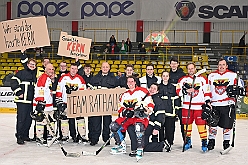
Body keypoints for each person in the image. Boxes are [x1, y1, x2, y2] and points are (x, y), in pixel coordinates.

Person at [207, 58, 245, 151]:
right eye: (220, 64)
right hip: (214, 104)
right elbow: (207, 89)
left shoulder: (233, 75)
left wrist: (238, 91)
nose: (221, 66)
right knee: (213, 124)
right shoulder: (211, 75)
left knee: (227, 125)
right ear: (217, 66)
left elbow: (241, 88)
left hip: (227, 104)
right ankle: (211, 141)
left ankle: (226, 142)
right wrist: (207, 101)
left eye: (223, 65)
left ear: (226, 66)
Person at [176, 63, 211, 152]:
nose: (191, 70)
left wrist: (207, 102)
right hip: (186, 106)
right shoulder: (183, 79)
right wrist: (185, 90)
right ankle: (187, 141)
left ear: (195, 69)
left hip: (199, 106)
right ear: (187, 70)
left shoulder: (202, 79)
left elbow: (207, 91)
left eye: (192, 68)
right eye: (189, 69)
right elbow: (178, 90)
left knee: (201, 125)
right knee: (187, 125)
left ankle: (204, 142)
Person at [89, 62, 118, 146]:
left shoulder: (114, 79)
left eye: (107, 67)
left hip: (108, 105)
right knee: (96, 123)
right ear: (101, 68)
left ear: (109, 68)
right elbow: (89, 88)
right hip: (96, 104)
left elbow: (117, 89)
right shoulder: (95, 78)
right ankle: (94, 139)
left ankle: (106, 139)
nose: (105, 68)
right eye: (103, 67)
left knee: (107, 122)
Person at [56, 63, 87, 143]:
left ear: (77, 70)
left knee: (80, 120)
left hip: (76, 103)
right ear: (70, 69)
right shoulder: (63, 78)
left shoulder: (80, 79)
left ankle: (82, 136)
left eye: (75, 69)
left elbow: (83, 92)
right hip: (65, 102)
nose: (73, 70)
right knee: (64, 120)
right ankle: (65, 136)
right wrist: (59, 102)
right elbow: (59, 90)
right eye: (72, 68)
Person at [124, 77, 154, 161]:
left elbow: (150, 103)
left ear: (135, 82)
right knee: (115, 126)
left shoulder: (143, 91)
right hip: (130, 118)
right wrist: (124, 112)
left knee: (138, 127)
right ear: (126, 83)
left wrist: (148, 111)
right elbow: (121, 107)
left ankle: (140, 148)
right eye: (128, 81)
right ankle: (123, 146)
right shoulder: (124, 94)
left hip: (142, 117)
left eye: (132, 81)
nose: (130, 83)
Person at [10, 59, 37, 144]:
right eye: (31, 64)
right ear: (28, 64)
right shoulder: (21, 73)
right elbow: (13, 82)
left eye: (34, 65)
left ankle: (25, 135)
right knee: (21, 119)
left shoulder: (35, 75)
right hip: (22, 101)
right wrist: (19, 92)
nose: (33, 66)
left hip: (31, 102)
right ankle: (19, 136)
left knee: (29, 119)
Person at [32, 63, 55, 145]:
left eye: (52, 69)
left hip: (48, 104)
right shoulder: (43, 77)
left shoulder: (48, 78)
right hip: (43, 104)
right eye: (49, 69)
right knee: (41, 121)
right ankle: (39, 137)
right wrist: (40, 101)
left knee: (50, 121)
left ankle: (51, 136)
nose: (51, 71)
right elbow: (39, 88)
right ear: (45, 69)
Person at [158, 71, 181, 151]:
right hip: (161, 112)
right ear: (161, 77)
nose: (165, 77)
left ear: (169, 77)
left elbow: (177, 99)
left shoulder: (173, 87)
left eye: (166, 76)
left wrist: (177, 110)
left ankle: (169, 142)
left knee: (170, 129)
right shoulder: (158, 87)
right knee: (161, 129)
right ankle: (161, 142)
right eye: (163, 76)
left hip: (171, 112)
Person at [143, 83, 166, 152]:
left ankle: (161, 145)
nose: (152, 90)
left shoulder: (158, 101)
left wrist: (156, 128)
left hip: (150, 124)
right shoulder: (145, 98)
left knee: (142, 146)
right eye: (151, 88)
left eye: (154, 89)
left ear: (157, 91)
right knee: (138, 144)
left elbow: (161, 115)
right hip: (143, 122)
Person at [169, 57, 186, 142]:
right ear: (170, 65)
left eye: (175, 63)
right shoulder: (168, 74)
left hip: (180, 102)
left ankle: (186, 140)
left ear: (178, 64)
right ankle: (170, 141)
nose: (174, 65)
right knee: (171, 123)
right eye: (172, 63)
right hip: (171, 102)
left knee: (183, 122)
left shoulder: (183, 75)